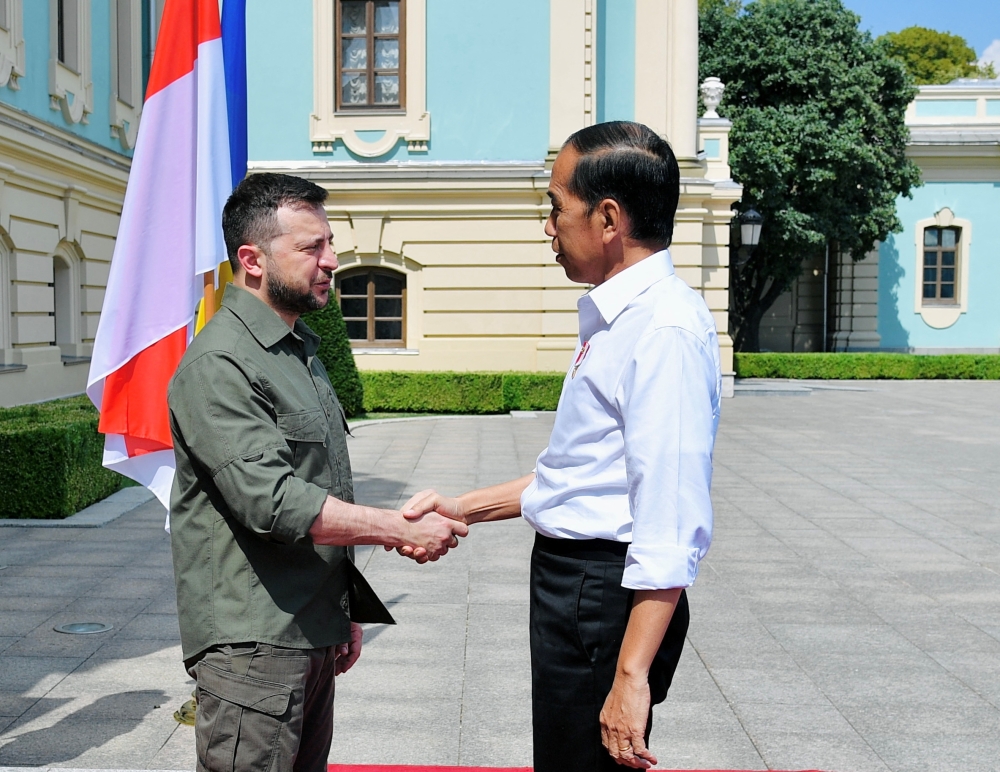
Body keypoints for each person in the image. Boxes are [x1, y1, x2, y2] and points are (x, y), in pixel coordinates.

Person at [399, 122, 722, 771]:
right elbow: (577, 476)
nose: (548, 226)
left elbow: (669, 518)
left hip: (603, 596)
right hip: (576, 587)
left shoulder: (661, 331)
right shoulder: (619, 318)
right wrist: (460, 508)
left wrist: (631, 676)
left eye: (555, 208)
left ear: (608, 218)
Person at [167, 172, 468, 772]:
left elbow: (321, 482)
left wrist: (344, 609)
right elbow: (275, 502)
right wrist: (399, 527)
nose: (332, 260)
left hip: (307, 629)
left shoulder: (295, 348)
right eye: (312, 248)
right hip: (255, 645)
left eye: (327, 243)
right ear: (251, 260)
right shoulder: (222, 362)